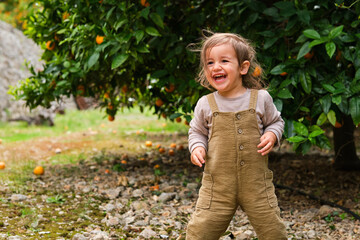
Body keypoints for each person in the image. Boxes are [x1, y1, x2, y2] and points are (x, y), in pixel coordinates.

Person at [186, 32, 287, 240]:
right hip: (217, 187)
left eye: (224, 60)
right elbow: (197, 132)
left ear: (243, 67)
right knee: (200, 230)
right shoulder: (206, 104)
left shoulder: (261, 98)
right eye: (209, 62)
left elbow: (276, 122)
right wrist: (197, 147)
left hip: (257, 185)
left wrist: (272, 135)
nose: (215, 67)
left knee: (273, 230)